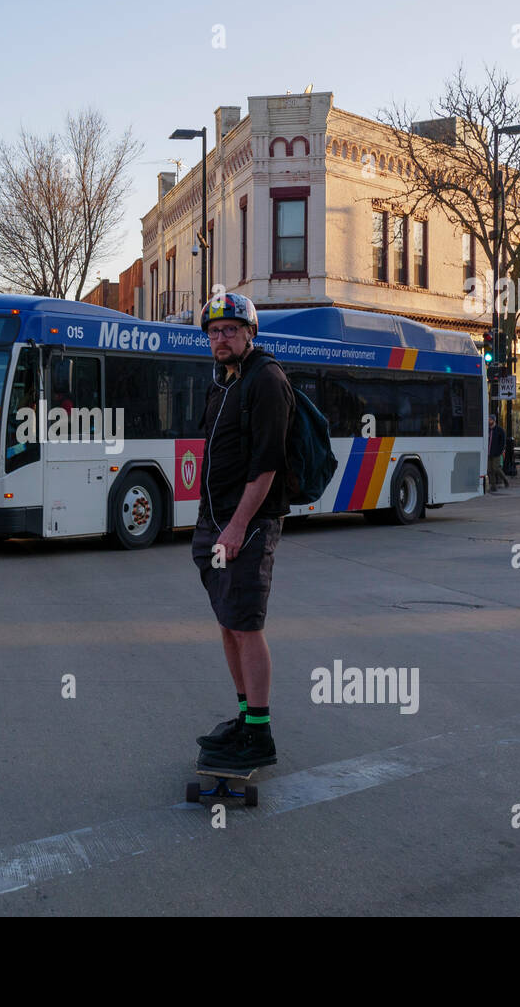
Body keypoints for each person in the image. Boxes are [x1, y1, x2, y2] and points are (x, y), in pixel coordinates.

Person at [190, 293, 294, 772]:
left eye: (230, 329)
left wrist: (235, 526)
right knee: (228, 620)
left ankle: (259, 732)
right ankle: (244, 716)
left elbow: (267, 464)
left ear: (250, 333)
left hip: (246, 527)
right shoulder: (223, 384)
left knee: (247, 625)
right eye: (214, 332)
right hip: (216, 524)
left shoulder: (266, 380)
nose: (221, 338)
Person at [487, 415, 508, 491]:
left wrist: (500, 451)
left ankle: (505, 479)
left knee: (496, 468)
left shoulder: (500, 430)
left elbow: (503, 442)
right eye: (488, 419)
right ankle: (493, 486)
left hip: (496, 453)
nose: (488, 421)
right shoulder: (487, 430)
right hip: (488, 453)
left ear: (493, 420)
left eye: (490, 420)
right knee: (490, 470)